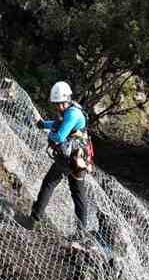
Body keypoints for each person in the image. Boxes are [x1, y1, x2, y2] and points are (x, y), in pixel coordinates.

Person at [20, 80, 99, 240]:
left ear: (66, 100)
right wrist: (44, 124)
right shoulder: (74, 109)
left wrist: (49, 134)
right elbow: (59, 124)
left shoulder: (71, 114)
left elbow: (59, 136)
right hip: (80, 160)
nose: (58, 107)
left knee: (49, 184)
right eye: (56, 104)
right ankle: (80, 235)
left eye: (59, 104)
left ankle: (32, 220)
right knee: (78, 194)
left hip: (70, 158)